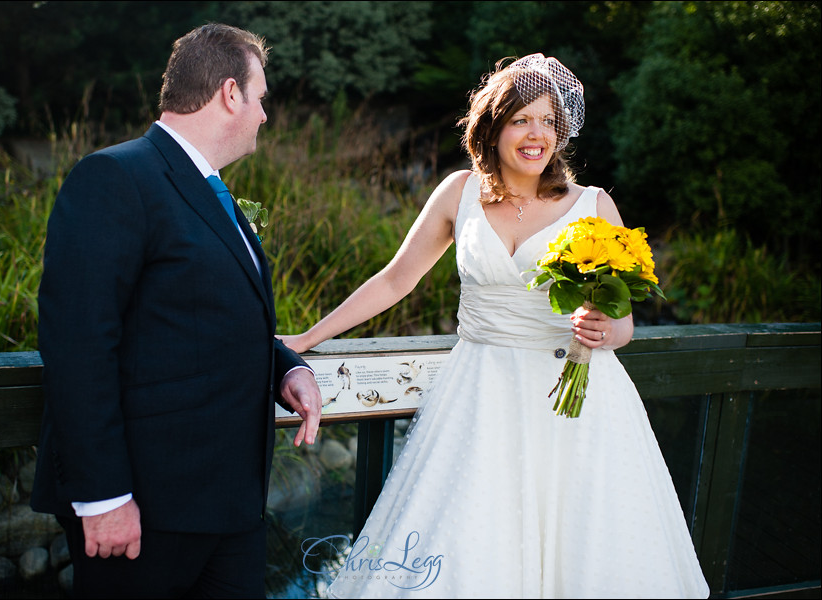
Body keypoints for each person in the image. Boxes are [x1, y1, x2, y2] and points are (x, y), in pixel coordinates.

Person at [279, 54, 709, 598]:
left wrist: (604, 330)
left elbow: (623, 324)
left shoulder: (593, 205)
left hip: (574, 403)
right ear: (494, 127)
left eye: (549, 121)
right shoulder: (459, 194)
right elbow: (394, 281)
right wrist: (305, 340)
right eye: (522, 119)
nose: (538, 135)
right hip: (479, 396)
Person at [31, 23, 323, 599]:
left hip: (231, 507)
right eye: (261, 98)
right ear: (230, 93)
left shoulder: (211, 190)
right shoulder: (116, 176)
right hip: (145, 512)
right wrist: (105, 498)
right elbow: (79, 344)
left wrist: (286, 368)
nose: (265, 115)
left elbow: (203, 319)